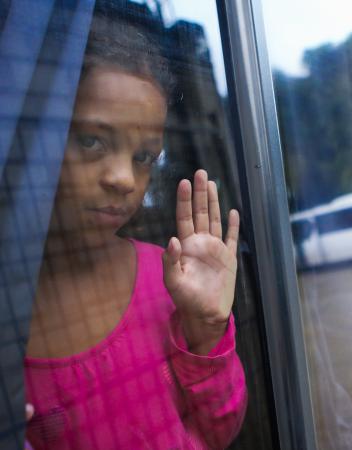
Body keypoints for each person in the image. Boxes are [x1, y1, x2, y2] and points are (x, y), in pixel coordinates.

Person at [24, 8, 247, 450]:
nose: (124, 179)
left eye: (144, 157)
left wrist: (206, 327)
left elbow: (219, 432)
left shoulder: (169, 280)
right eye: (92, 141)